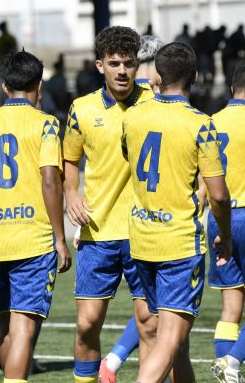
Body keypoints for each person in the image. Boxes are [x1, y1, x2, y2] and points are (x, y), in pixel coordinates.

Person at [0, 50, 71, 383]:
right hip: (33, 242)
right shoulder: (47, 125)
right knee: (23, 333)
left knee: (7, 331)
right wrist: (60, 238)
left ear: (4, 87)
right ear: (40, 85)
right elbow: (50, 178)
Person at [122, 42, 231, 382]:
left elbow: (130, 157)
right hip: (178, 244)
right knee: (170, 338)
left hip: (141, 240)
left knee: (177, 340)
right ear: (195, 78)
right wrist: (225, 236)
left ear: (156, 76)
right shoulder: (200, 124)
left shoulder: (132, 116)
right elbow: (219, 196)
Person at [63, 26, 157, 383]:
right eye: (114, 63)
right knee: (87, 325)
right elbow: (69, 161)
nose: (122, 71)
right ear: (100, 65)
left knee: (149, 326)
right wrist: (71, 194)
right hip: (97, 231)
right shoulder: (82, 109)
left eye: (129, 64)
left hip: (144, 232)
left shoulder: (155, 99)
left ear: (138, 66)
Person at [96, 32, 164, 382]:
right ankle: (114, 361)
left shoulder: (146, 97)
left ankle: (114, 360)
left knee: (153, 312)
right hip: (150, 219)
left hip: (137, 215)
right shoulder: (156, 99)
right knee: (163, 313)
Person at [209, 61, 245, 382]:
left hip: (219, 218)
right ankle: (232, 360)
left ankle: (227, 372)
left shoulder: (211, 122)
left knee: (230, 306)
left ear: (233, 87)